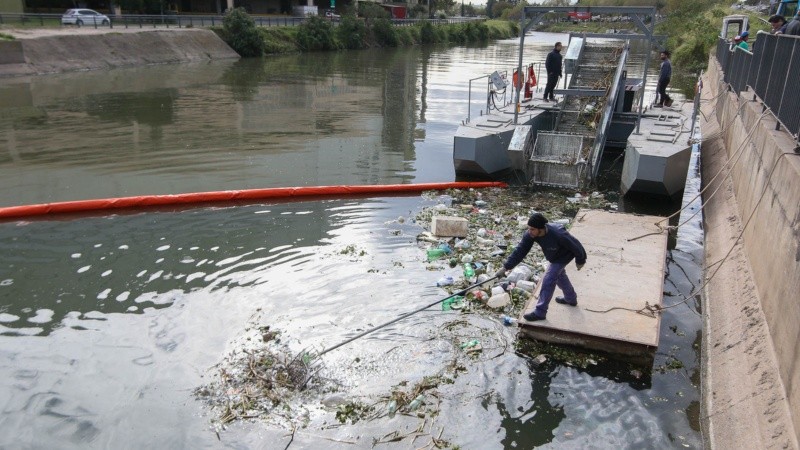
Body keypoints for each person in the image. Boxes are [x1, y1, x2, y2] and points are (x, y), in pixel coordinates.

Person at [495, 213, 587, 322]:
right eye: (529, 228)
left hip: (565, 255)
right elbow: (520, 251)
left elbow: (576, 245)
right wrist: (505, 267)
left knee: (549, 279)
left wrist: (580, 260)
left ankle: (540, 312)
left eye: (532, 229)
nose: (530, 231)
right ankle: (571, 298)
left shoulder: (559, 234)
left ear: (541, 229)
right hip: (553, 256)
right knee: (559, 276)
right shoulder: (531, 234)